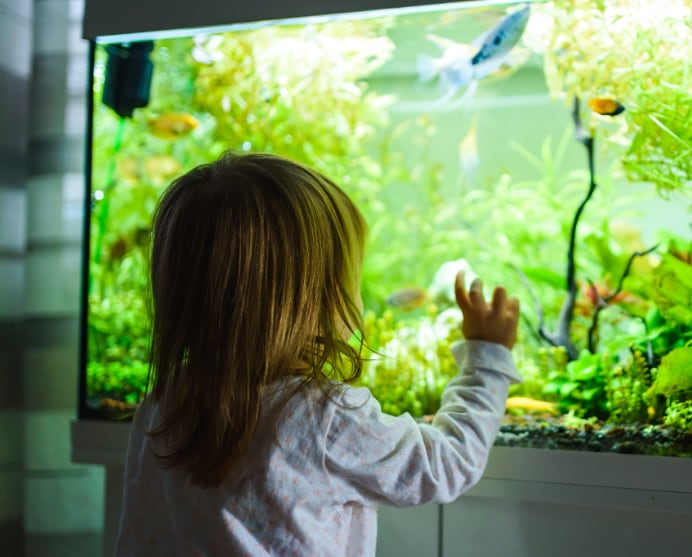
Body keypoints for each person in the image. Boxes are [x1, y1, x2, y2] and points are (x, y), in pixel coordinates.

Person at [115, 152, 522, 556]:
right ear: (311, 299)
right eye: (349, 277)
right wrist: (486, 359)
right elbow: (446, 465)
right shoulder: (323, 418)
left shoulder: (160, 406)